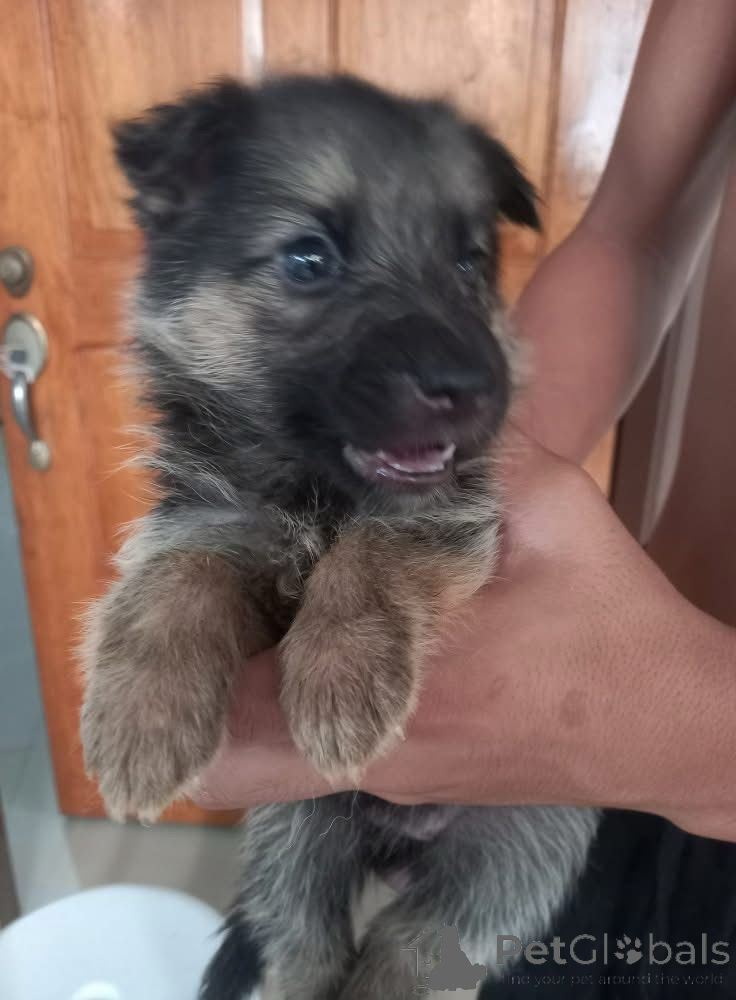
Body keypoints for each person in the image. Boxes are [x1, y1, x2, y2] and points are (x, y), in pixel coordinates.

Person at [194, 0, 736, 844]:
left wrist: (686, 741)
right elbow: (635, 231)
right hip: (621, 722)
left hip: (649, 729)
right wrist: (465, 497)